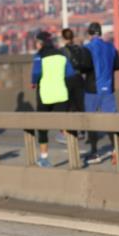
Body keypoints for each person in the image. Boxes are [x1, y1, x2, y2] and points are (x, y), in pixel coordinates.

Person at [31, 30, 77, 167]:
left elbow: (36, 74)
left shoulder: (39, 56)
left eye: (37, 43)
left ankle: (44, 158)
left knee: (42, 127)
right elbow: (70, 74)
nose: (36, 45)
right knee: (63, 124)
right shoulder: (62, 55)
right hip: (61, 94)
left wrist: (34, 82)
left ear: (41, 43)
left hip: (45, 95)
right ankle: (73, 156)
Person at [81, 22, 119, 164]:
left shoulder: (87, 48)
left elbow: (84, 67)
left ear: (89, 34)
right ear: (100, 32)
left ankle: (94, 152)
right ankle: (116, 150)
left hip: (91, 89)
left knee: (91, 122)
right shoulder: (111, 47)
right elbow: (118, 65)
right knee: (111, 121)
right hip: (109, 88)